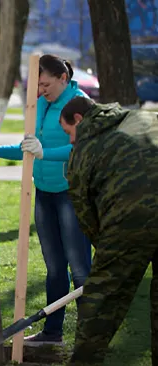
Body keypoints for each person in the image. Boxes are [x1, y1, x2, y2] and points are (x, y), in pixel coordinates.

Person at [0, 54, 92, 346]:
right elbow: (29, 147)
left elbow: (83, 148)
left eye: (46, 84)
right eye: (37, 85)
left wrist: (45, 153)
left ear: (63, 78)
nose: (41, 90)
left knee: (80, 266)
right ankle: (53, 333)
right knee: (54, 267)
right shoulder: (39, 105)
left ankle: (91, 336)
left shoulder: (80, 103)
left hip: (70, 193)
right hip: (44, 192)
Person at [59, 96, 158, 365]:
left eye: (68, 132)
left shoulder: (86, 148)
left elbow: (83, 210)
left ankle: (84, 362)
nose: (70, 140)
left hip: (129, 223)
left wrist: (105, 248)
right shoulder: (142, 118)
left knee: (101, 300)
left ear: (79, 120)